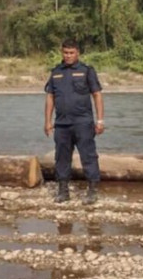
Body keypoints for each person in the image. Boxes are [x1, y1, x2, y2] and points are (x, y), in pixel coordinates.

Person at [44, 39, 104, 204]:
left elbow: (97, 95)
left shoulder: (86, 71)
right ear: (61, 53)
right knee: (61, 158)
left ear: (78, 53)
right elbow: (50, 97)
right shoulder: (55, 72)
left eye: (71, 53)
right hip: (62, 124)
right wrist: (47, 121)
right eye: (65, 52)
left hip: (83, 123)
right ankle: (63, 191)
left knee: (89, 156)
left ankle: (92, 191)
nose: (68, 56)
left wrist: (100, 121)